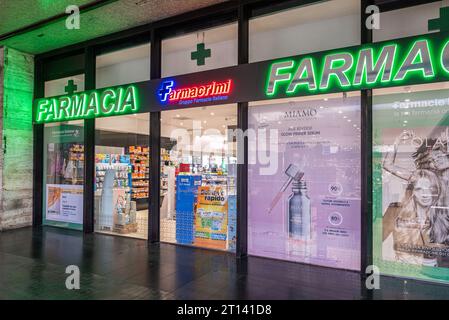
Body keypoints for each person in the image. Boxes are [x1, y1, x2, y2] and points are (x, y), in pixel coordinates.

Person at [383, 169, 441, 266]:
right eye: (419, 189)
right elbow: (375, 241)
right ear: (412, 191)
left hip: (432, 271)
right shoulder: (395, 210)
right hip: (403, 269)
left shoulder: (441, 215)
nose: (425, 194)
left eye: (430, 188)